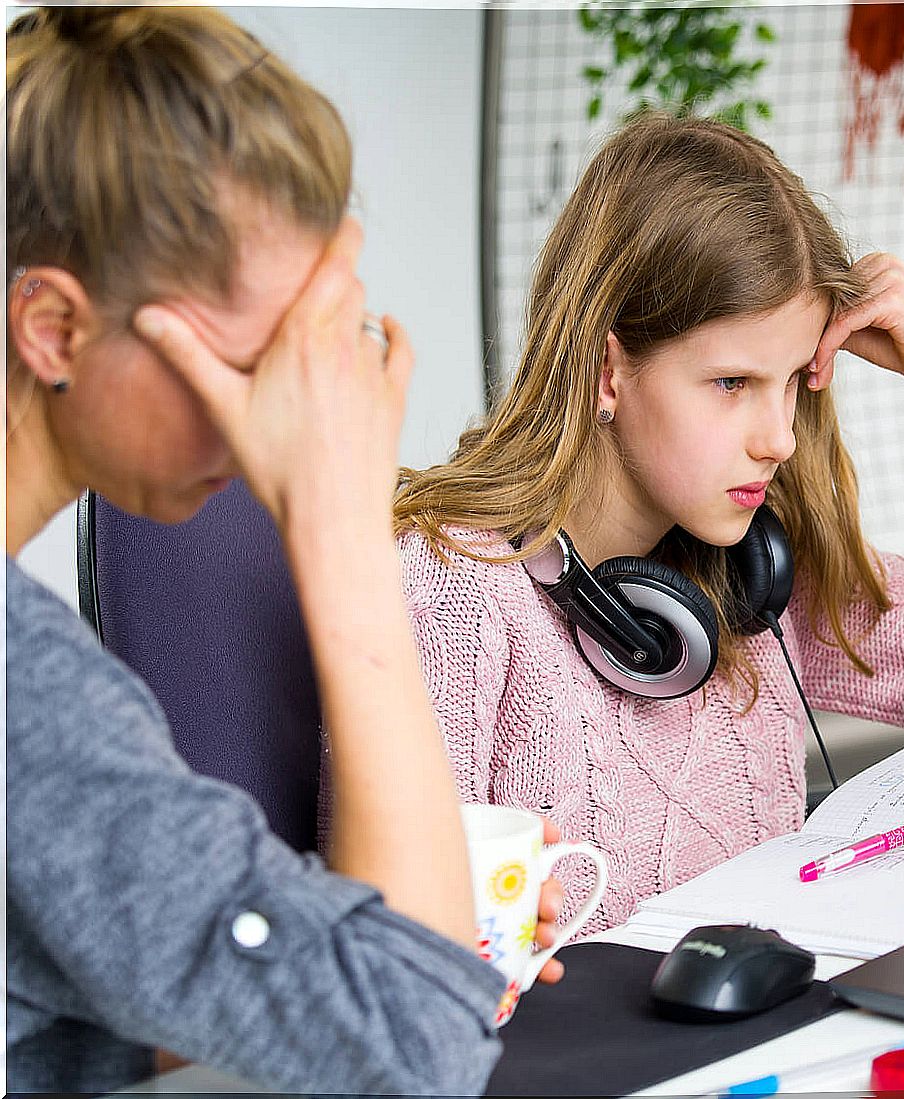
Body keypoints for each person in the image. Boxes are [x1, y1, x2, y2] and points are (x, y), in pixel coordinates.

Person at [5, 8, 562, 1094]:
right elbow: (419, 1054)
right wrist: (343, 529)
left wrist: (336, 934)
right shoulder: (31, 694)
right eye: (258, 357)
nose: (293, 414)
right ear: (56, 330)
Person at [393, 111, 904, 932]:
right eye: (731, 383)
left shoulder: (753, 579)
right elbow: (403, 937)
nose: (780, 437)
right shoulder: (452, 589)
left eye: (793, 380)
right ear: (607, 371)